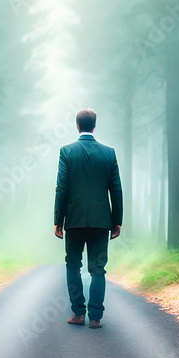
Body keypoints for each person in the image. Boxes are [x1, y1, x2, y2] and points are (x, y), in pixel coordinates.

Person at [53, 108, 123, 329]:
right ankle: (95, 317)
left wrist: (58, 220)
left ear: (77, 125)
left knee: (73, 265)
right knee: (98, 269)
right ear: (94, 126)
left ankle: (78, 313)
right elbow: (116, 190)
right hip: (101, 222)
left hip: (74, 221)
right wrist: (117, 220)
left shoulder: (67, 151)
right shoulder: (109, 153)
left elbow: (61, 188)